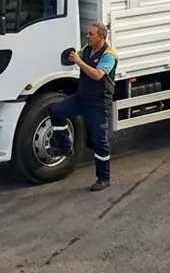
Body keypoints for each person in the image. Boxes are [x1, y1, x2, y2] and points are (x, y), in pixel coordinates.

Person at [49, 21, 118, 191]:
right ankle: (65, 147)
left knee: (99, 141)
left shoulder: (109, 55)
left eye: (91, 34)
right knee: (57, 111)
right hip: (81, 98)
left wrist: (79, 62)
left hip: (98, 103)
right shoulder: (87, 49)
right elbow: (75, 55)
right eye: (88, 33)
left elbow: (97, 75)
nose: (87, 36)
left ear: (101, 38)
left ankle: (104, 178)